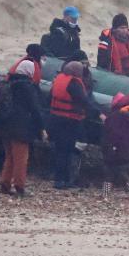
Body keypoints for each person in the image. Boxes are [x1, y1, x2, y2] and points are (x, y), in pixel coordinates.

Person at [0, 60, 46, 197]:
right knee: (21, 159)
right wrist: (41, 127)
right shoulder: (27, 87)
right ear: (29, 72)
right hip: (20, 127)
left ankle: (5, 184)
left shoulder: (8, 84)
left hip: (5, 125)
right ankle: (19, 187)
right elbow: (35, 109)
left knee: (9, 157)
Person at [49, 60, 97, 189]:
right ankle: (62, 180)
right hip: (69, 120)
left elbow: (50, 97)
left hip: (56, 118)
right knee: (66, 150)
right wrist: (98, 113)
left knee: (60, 150)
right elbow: (84, 100)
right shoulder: (74, 83)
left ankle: (60, 179)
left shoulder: (59, 79)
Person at [101, 93, 129, 198]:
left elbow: (112, 133)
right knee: (121, 170)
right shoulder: (127, 118)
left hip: (114, 147)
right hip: (123, 147)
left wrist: (112, 146)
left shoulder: (115, 117)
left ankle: (106, 194)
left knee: (110, 170)